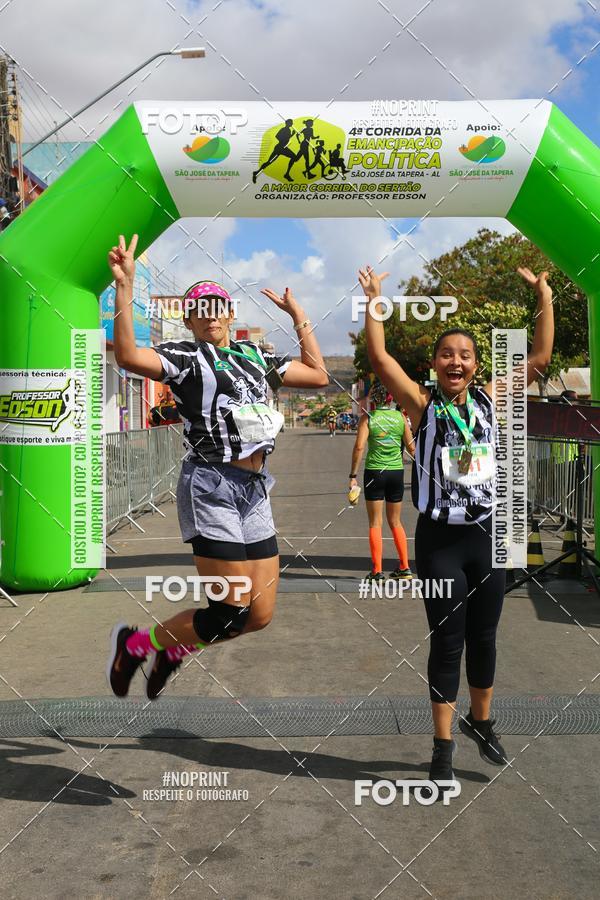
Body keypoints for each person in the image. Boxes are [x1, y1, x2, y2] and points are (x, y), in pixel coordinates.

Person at [106, 234, 328, 700]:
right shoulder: (184, 358)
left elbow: (319, 376)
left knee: (259, 615)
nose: (209, 314)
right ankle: (137, 645)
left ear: (230, 315)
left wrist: (298, 317)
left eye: (216, 306)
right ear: (188, 319)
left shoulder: (257, 357)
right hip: (211, 483)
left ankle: (171, 649)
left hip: (255, 487)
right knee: (228, 612)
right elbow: (127, 356)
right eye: (198, 308)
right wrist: (124, 288)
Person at [359, 263, 554, 791]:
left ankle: (482, 721)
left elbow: (538, 358)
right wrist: (375, 301)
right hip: (441, 541)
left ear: (475, 365)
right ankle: (442, 745)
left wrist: (544, 296)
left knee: (485, 637)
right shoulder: (421, 407)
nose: (456, 361)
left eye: (465, 355)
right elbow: (379, 358)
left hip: (487, 535)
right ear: (435, 364)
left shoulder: (492, 397)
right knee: (447, 642)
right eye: (447, 354)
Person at [349, 380, 414, 580]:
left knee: (375, 523)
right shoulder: (400, 417)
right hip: (396, 472)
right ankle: (404, 567)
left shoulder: (368, 418)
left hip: (374, 472)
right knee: (395, 521)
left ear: (373, 398)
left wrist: (353, 476)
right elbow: (412, 448)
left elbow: (359, 447)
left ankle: (377, 571)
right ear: (391, 397)